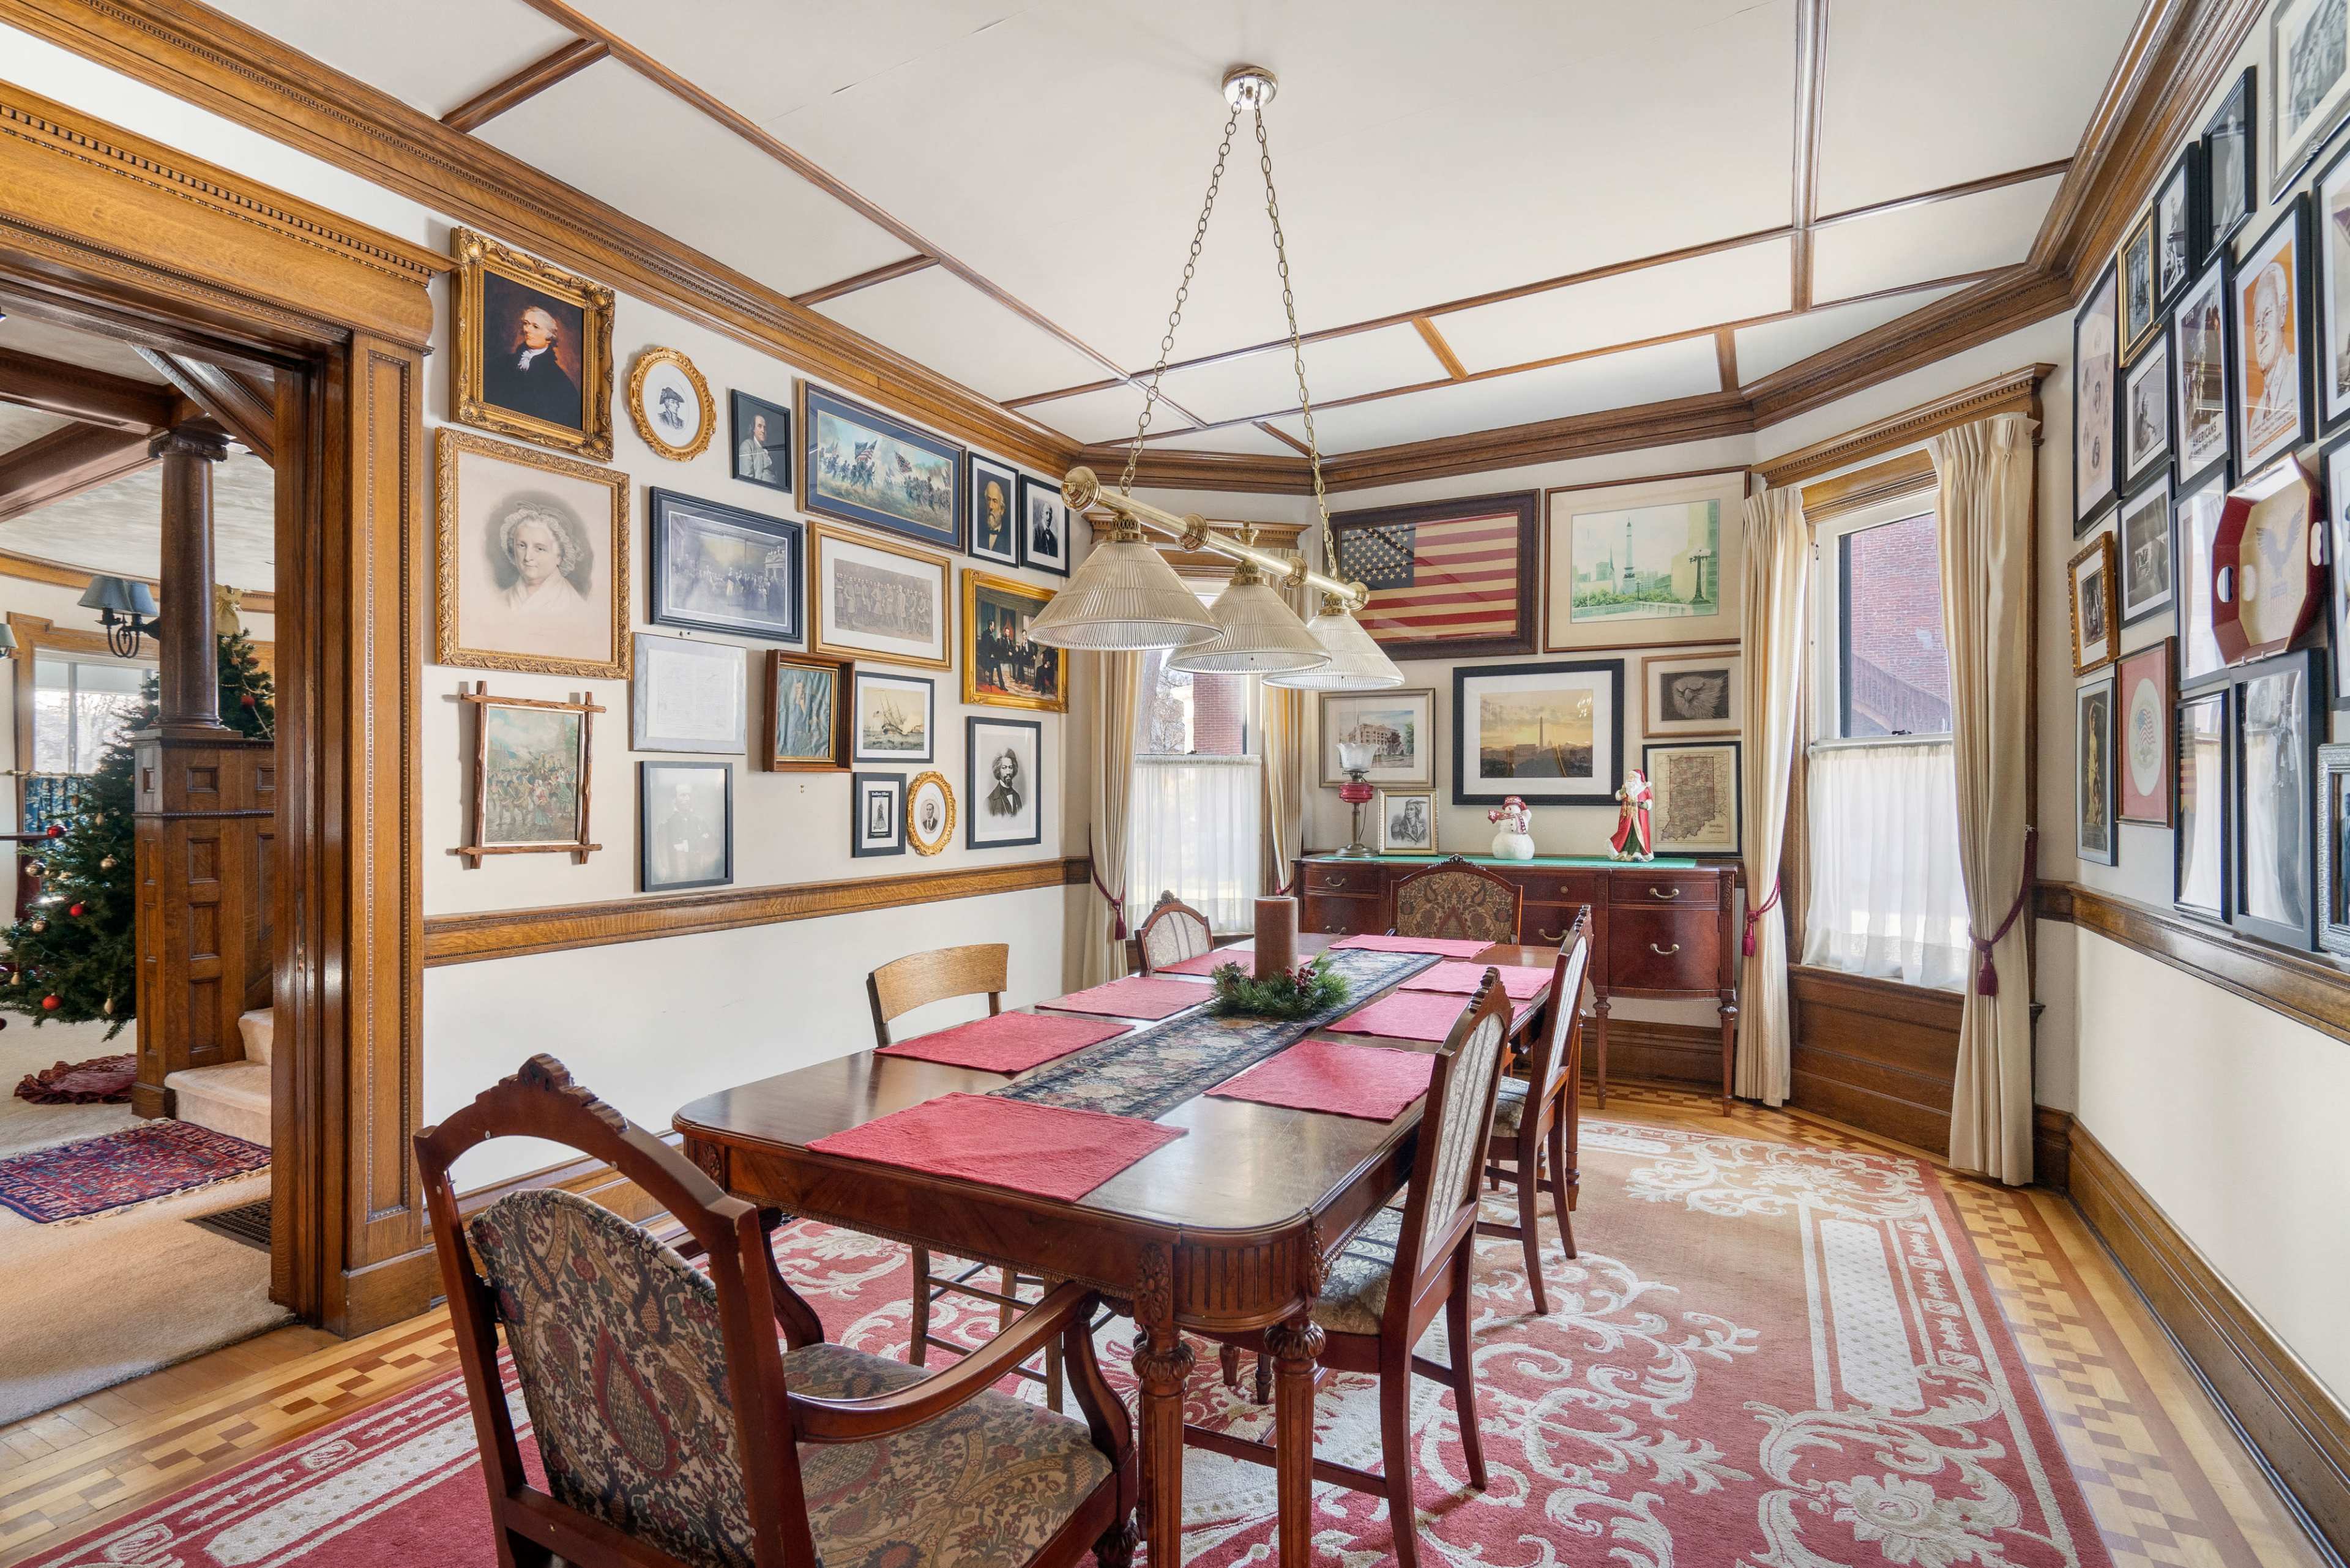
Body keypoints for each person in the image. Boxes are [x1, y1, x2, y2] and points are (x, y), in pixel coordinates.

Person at [482, 302, 580, 429]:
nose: (527, 330)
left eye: (535, 326)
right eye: (526, 324)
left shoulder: (559, 380)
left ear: (549, 337)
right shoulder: (500, 363)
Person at [652, 777, 717, 885]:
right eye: (683, 795)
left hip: (699, 878)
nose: (687, 799)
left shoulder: (700, 822)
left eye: (689, 795)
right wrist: (699, 841)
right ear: (674, 800)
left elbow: (712, 846)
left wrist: (688, 845)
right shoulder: (665, 826)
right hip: (677, 880)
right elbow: (664, 860)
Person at [977, 478, 1013, 557]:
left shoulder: (1009, 540)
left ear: (1002, 510)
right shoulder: (978, 533)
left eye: (995, 501)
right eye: (989, 500)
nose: (990, 506)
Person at [738, 411, 775, 483]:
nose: (763, 431)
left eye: (765, 427)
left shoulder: (768, 450)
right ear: (753, 429)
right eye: (759, 426)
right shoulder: (747, 445)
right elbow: (747, 477)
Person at [988, 749, 1023, 818]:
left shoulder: (1017, 797)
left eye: (1010, 767)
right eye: (1004, 768)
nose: (1008, 772)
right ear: (998, 771)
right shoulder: (990, 801)